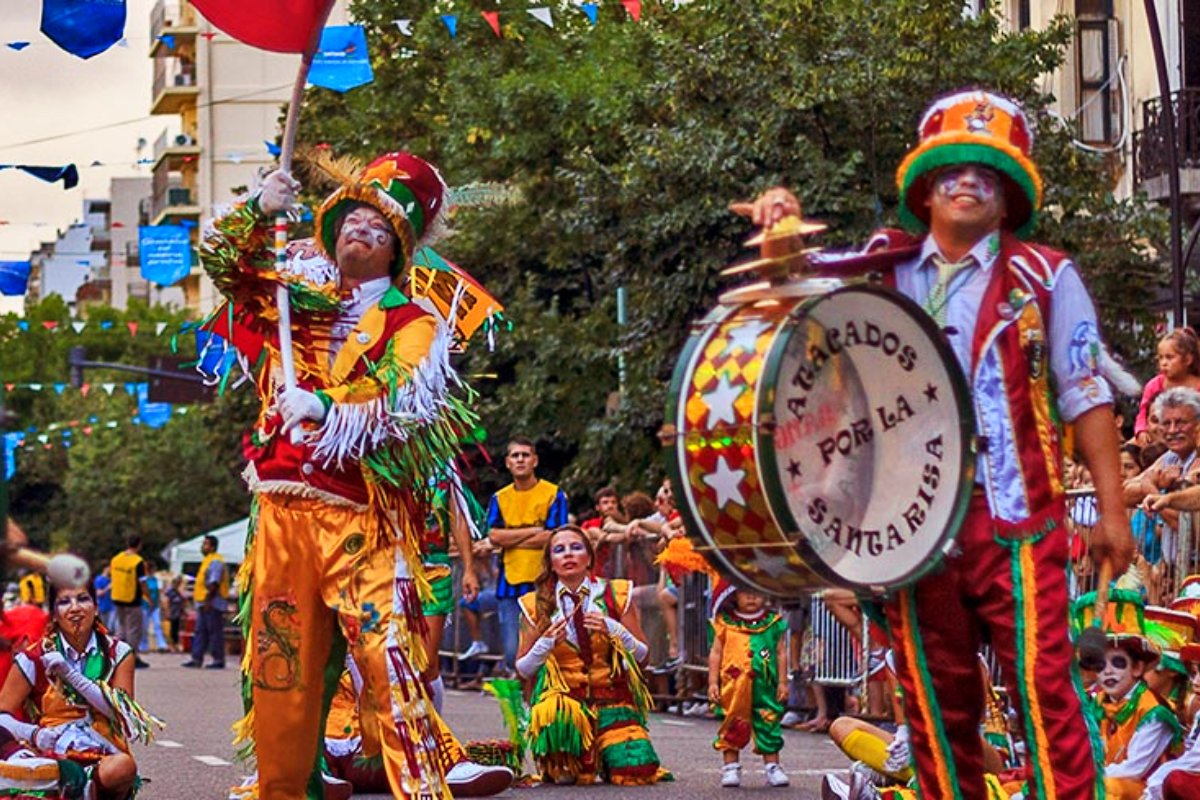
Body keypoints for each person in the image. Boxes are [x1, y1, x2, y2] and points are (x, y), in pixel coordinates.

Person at [749, 89, 1133, 799]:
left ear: (1008, 193)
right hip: (911, 525)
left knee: (1046, 686)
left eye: (985, 172)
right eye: (952, 169)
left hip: (1019, 517)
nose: (966, 182)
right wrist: (779, 229)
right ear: (924, 188)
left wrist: (1112, 513)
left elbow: (1087, 395)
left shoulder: (1047, 276)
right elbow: (794, 320)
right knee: (933, 697)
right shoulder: (877, 268)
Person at [200, 151, 479, 799]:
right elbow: (221, 260)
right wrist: (255, 211)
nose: (362, 230)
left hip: (358, 514)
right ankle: (283, 787)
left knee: (387, 657)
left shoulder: (413, 323)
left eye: (379, 230)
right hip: (279, 507)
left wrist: (326, 406)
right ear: (330, 232)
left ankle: (422, 784)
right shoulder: (289, 298)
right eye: (353, 219)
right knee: (280, 664)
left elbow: (405, 397)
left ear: (394, 254)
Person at [515, 525, 670, 786]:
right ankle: (575, 755)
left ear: (589, 558)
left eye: (576, 548)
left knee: (635, 771)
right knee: (568, 777)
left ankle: (610, 753)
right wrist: (545, 644)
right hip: (565, 707)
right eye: (559, 550)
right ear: (550, 563)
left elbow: (643, 656)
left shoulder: (617, 594)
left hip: (612, 700)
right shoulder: (534, 604)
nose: (568, 555)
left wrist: (616, 630)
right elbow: (522, 669)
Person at [0, 579, 161, 800]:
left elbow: (122, 714)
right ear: (54, 614)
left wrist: (72, 675)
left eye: (83, 599)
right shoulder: (33, 657)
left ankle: (78, 784)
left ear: (96, 607)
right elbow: (2, 715)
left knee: (123, 768)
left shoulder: (118, 653)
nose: (75, 608)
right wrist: (35, 734)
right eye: (64, 602)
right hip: (51, 754)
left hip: (105, 755)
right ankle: (69, 783)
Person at [1074, 588, 1179, 799]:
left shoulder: (1154, 712)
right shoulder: (1094, 705)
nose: (1108, 671)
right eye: (1101, 664)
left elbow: (1134, 770)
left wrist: (1083, 777)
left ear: (1137, 668)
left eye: (1118, 662)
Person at [487, 437, 569, 676]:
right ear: (507, 463)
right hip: (509, 581)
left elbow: (555, 536)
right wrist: (535, 531)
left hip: (544, 582)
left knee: (545, 645)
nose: (520, 459)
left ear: (535, 460)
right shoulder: (499, 498)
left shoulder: (554, 494)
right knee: (514, 650)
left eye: (525, 455)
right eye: (515, 455)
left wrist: (512, 537)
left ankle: (542, 702)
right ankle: (521, 703)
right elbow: (494, 536)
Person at [706, 582, 790, 788]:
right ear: (734, 595)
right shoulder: (724, 622)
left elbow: (780, 653)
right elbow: (716, 653)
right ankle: (730, 767)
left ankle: (773, 767)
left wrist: (782, 682)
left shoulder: (772, 622)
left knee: (768, 721)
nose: (751, 598)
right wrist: (712, 683)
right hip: (733, 687)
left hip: (766, 686)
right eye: (746, 593)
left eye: (757, 592)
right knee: (732, 723)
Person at [1134, 329, 1200, 447]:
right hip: (1158, 439)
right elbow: (1143, 412)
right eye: (1160, 358)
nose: (1164, 363)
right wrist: (1141, 430)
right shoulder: (1154, 385)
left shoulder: (1197, 385)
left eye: (1169, 357)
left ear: (1188, 359)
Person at [181, 534, 227, 670]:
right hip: (203, 603)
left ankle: (218, 659)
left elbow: (214, 583)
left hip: (212, 603)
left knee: (214, 632)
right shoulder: (207, 560)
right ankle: (196, 658)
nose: (202, 547)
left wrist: (208, 601)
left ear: (212, 547)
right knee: (200, 631)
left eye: (205, 544)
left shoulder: (216, 561)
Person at [107, 536, 148, 670]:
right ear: (139, 545)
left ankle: (117, 655)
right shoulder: (138, 561)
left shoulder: (116, 559)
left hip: (117, 597)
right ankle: (131, 658)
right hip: (132, 599)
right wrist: (148, 597)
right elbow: (142, 582)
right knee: (134, 630)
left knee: (122, 628)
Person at [164, 575, 185, 654]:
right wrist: (167, 612)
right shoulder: (171, 591)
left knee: (176, 630)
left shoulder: (178, 592)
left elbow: (182, 602)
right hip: (172, 613)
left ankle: (175, 646)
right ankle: (172, 646)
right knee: (172, 630)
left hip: (177, 613)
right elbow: (167, 602)